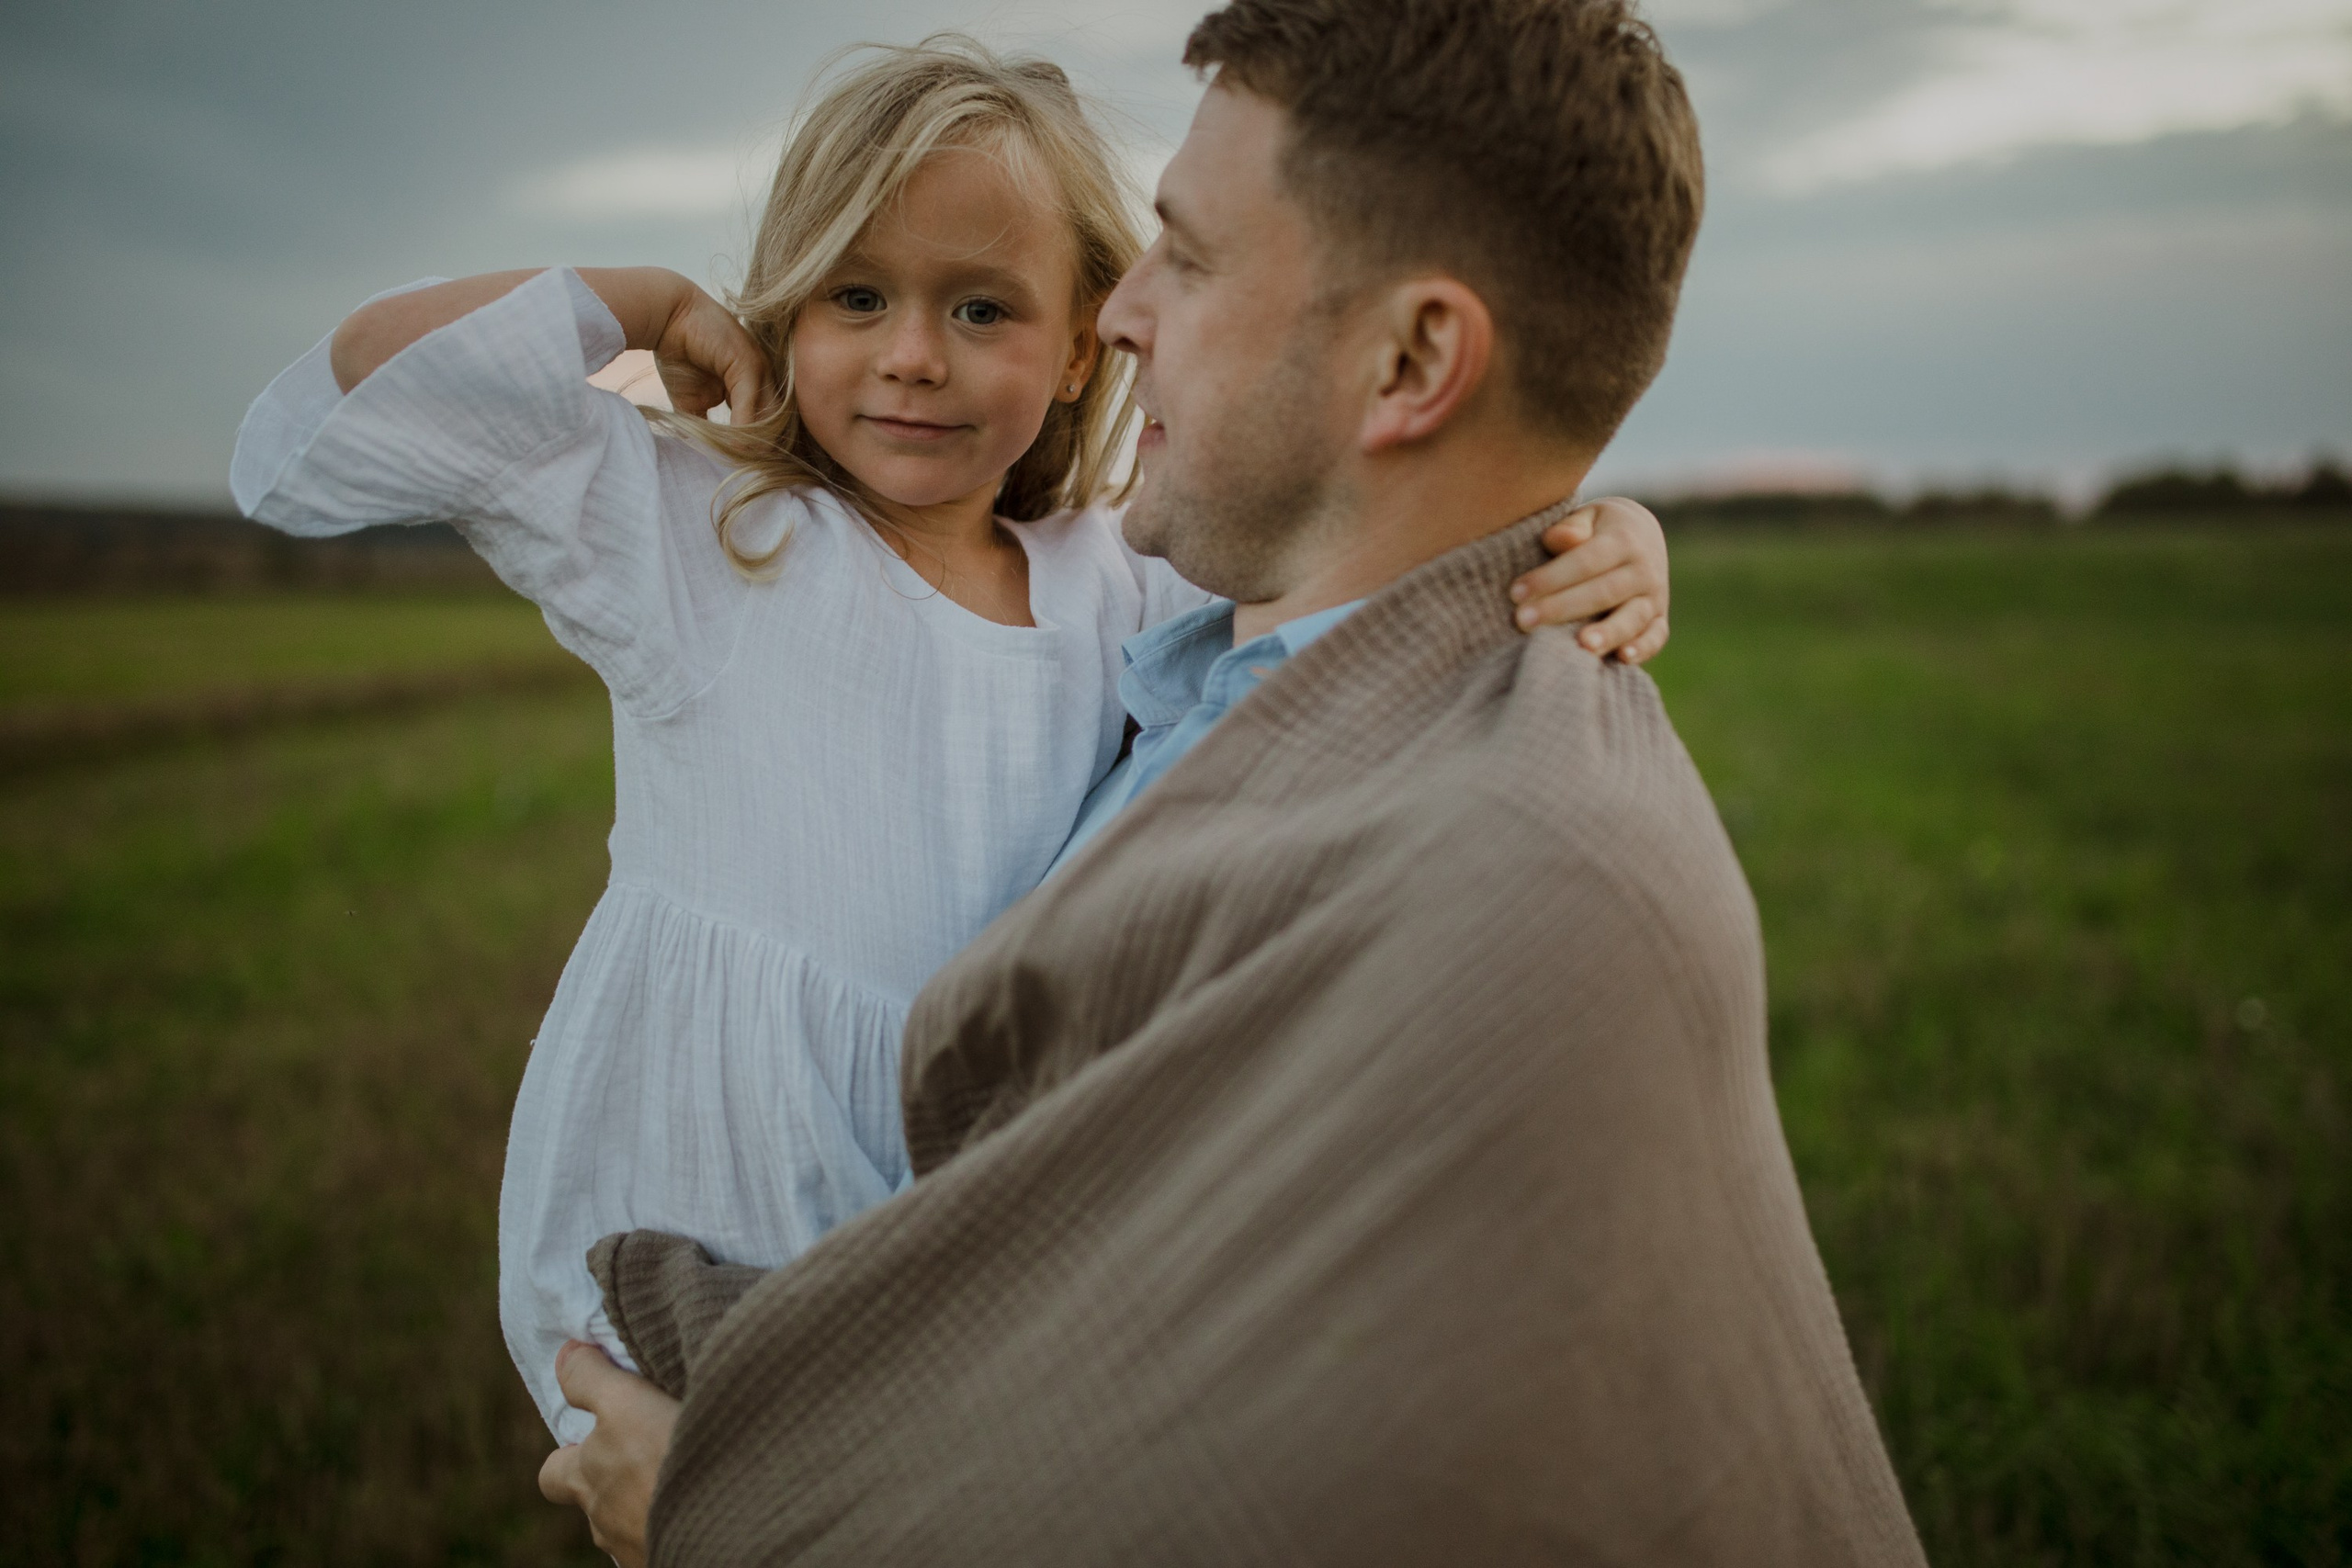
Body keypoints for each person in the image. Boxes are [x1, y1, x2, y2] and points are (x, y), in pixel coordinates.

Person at [544, 2, 1929, 1564]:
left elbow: (1209, 1482)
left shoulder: (1520, 883)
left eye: (1186, 259)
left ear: (1412, 361)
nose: (1117, 316)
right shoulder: (1219, 674)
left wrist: (729, 1510)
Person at [228, 39, 1670, 1449]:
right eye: (857, 297)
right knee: (706, 1477)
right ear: (788, 312)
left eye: (983, 310)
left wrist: (1617, 534)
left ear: (1081, 338)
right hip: (700, 1183)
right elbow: (371, 385)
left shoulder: (1115, 578)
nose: (914, 357)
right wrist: (640, 304)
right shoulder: (708, 542)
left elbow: (1374, 553)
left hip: (943, 1197)